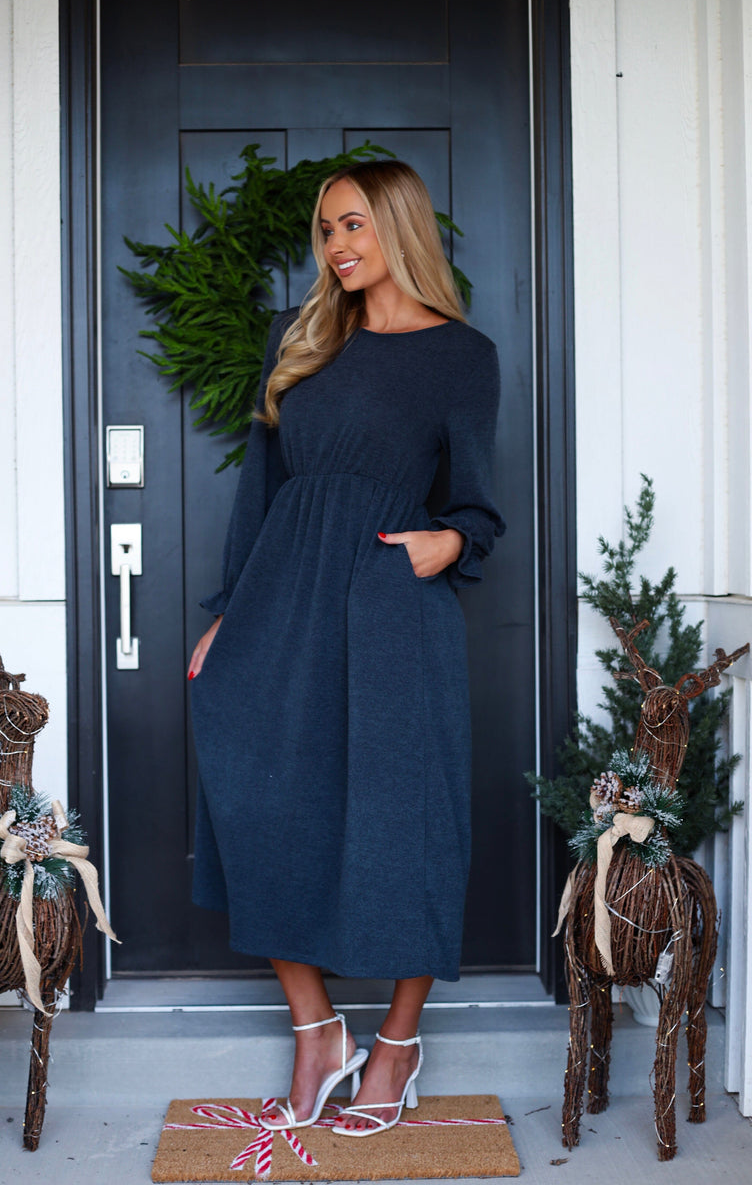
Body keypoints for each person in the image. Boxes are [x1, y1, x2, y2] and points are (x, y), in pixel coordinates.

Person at [188, 159, 505, 1137]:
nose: (336, 246)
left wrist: (445, 544)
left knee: (409, 821)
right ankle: (317, 1031)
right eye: (326, 230)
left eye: (353, 224)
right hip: (284, 597)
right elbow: (259, 491)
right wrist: (227, 612)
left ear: (398, 226)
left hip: (390, 605)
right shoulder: (299, 337)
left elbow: (478, 507)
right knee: (259, 796)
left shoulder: (461, 355)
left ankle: (398, 1046)